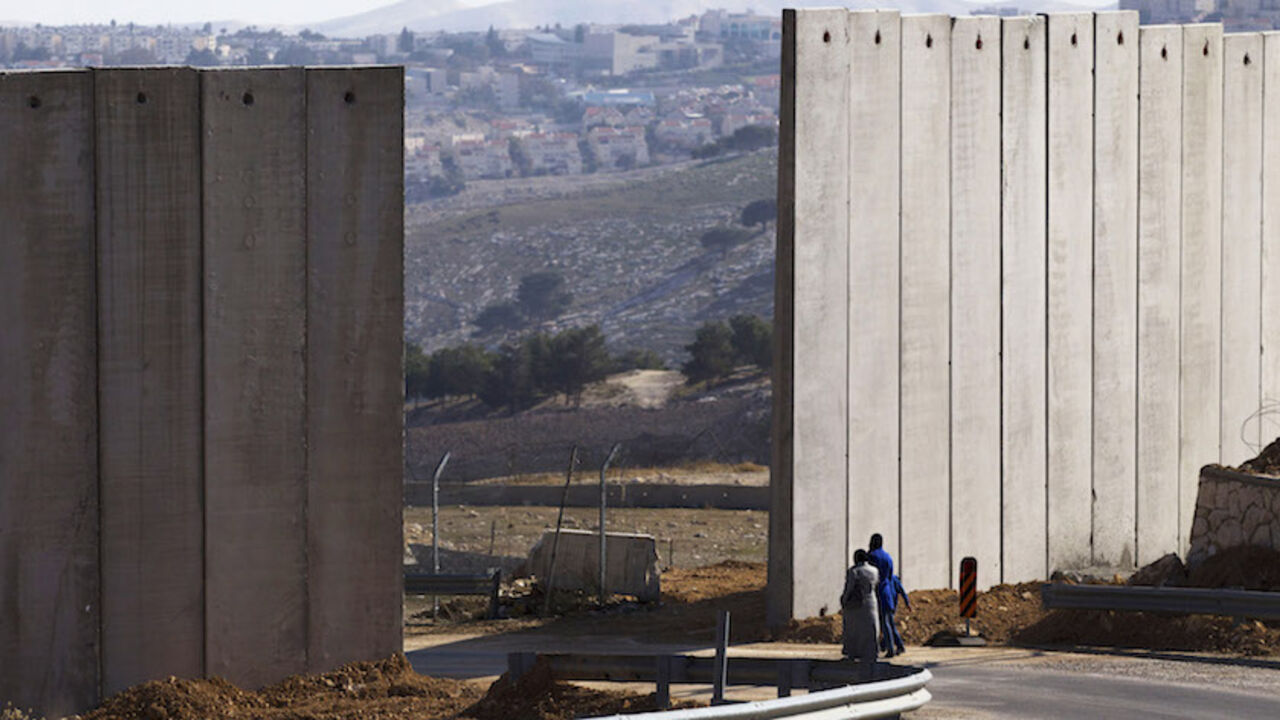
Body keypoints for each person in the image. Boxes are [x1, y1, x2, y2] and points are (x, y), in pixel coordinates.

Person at [840, 548, 879, 680]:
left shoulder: (854, 571)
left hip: (856, 606)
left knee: (854, 630)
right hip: (871, 603)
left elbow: (849, 588)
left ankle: (853, 652)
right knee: (870, 629)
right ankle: (872, 652)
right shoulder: (874, 571)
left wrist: (844, 600)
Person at [867, 533, 904, 657]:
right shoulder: (888, 557)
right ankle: (894, 646)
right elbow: (890, 576)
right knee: (888, 622)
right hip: (887, 591)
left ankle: (885, 649)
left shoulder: (871, 556)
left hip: (876, 592)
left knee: (880, 623)